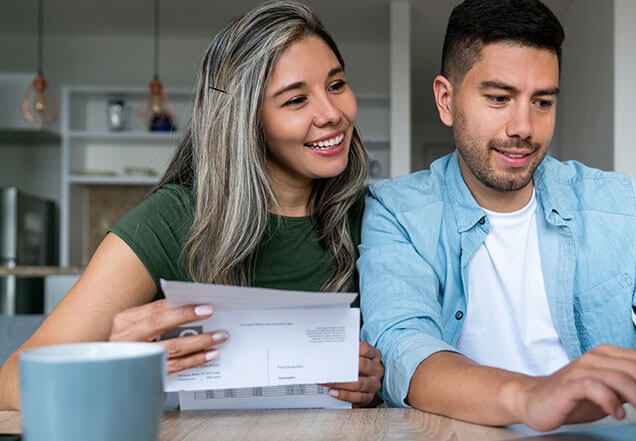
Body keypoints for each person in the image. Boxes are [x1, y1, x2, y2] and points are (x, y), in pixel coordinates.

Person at [0, 1, 383, 410]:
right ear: (243, 121)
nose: (332, 113)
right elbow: (10, 385)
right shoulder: (170, 222)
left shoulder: (377, 218)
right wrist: (114, 364)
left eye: (336, 84)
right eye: (295, 100)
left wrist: (379, 381)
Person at [358, 0, 636, 431]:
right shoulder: (396, 210)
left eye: (542, 102)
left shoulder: (617, 203)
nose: (524, 127)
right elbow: (405, 348)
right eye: (499, 98)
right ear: (446, 100)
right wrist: (533, 394)